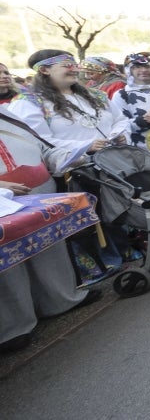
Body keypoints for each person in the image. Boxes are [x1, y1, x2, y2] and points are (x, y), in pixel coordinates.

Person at [8, 49, 132, 271]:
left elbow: (120, 119)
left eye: (74, 63)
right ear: (44, 70)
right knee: (90, 221)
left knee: (122, 207)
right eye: (65, 64)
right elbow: (37, 140)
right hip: (74, 169)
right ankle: (102, 264)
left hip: (112, 161)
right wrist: (84, 146)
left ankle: (129, 248)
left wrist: (120, 133)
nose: (73, 68)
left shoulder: (95, 94)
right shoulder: (29, 102)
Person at [0, 101, 103, 353]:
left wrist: (67, 158)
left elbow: (44, 149)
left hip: (40, 197)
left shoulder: (6, 114)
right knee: (8, 266)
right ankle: (13, 328)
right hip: (3, 206)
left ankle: (61, 299)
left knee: (49, 248)